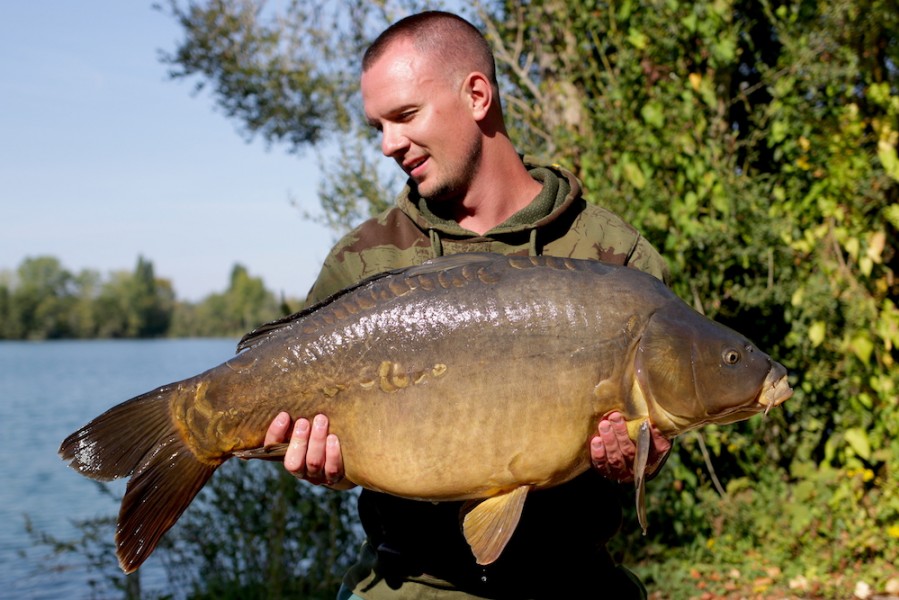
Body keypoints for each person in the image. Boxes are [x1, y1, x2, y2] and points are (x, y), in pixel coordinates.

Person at [264, 10, 672, 599]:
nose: (388, 145)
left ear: (477, 95)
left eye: (405, 116)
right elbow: (303, 423)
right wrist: (314, 463)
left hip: (572, 581)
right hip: (406, 583)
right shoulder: (365, 258)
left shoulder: (611, 256)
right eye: (378, 125)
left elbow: (664, 423)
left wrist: (643, 455)